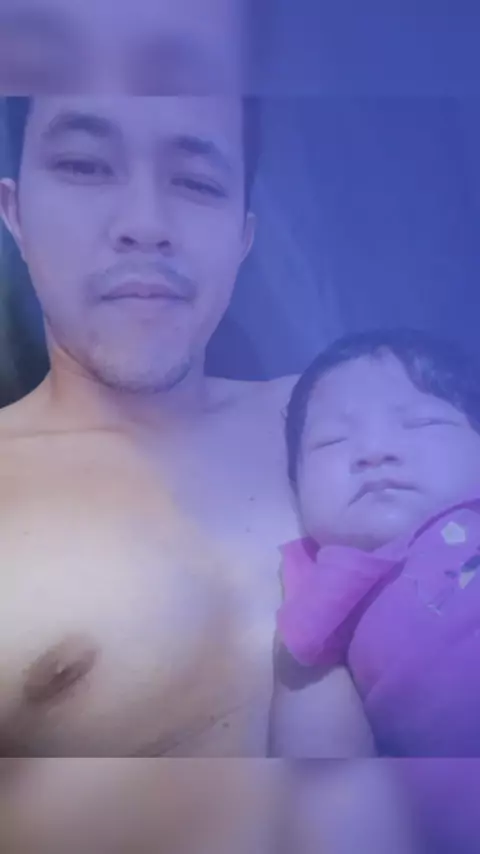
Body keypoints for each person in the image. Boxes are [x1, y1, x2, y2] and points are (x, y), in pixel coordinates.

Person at [0, 93, 300, 757]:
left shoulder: (349, 420)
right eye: (85, 166)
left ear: (242, 238)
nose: (146, 223)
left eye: (196, 181)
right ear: (14, 214)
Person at [273, 328, 480, 758]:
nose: (375, 451)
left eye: (423, 422)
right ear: (295, 486)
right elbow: (312, 754)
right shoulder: (322, 576)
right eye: (332, 440)